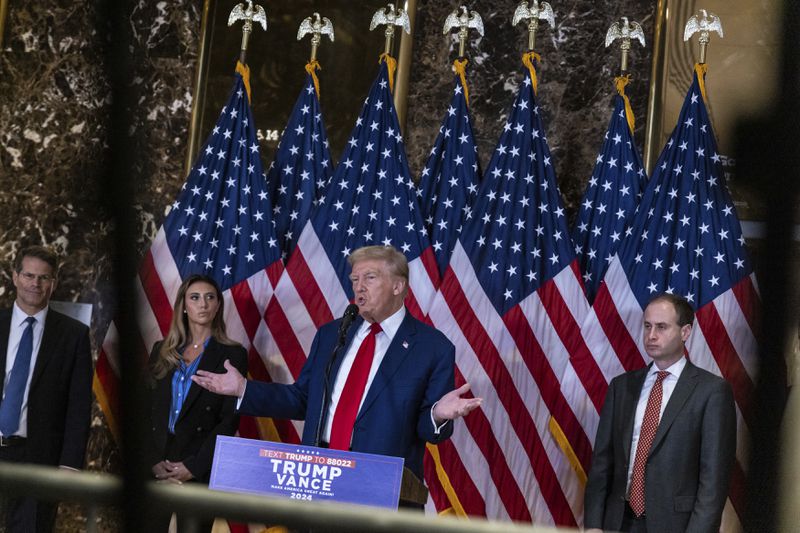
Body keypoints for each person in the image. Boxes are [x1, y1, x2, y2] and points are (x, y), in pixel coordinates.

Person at [193, 245, 481, 495]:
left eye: (370, 277)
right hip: (318, 479)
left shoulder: (432, 347)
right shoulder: (332, 334)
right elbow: (303, 400)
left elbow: (427, 430)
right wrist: (244, 389)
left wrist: (437, 414)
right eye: (355, 279)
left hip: (380, 489)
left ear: (398, 286)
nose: (359, 286)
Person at [584, 293, 736, 533]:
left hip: (676, 526)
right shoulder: (621, 387)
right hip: (617, 522)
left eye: (662, 327)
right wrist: (593, 524)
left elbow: (713, 481)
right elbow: (602, 463)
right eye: (647, 326)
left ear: (685, 332)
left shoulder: (712, 391)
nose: (651, 335)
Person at [0, 245, 92, 532]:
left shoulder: (74, 335)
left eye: (43, 278)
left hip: (38, 457)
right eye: (28, 275)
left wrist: (69, 464)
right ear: (15, 277)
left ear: (53, 283)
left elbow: (78, 405)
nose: (35, 284)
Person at [144, 274, 247, 530]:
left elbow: (229, 420)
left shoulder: (233, 354)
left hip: (198, 465)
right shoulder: (161, 350)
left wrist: (194, 466)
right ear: (184, 305)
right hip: (158, 462)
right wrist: (152, 460)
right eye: (195, 297)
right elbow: (145, 410)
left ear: (218, 305)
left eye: (210, 297)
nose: (203, 304)